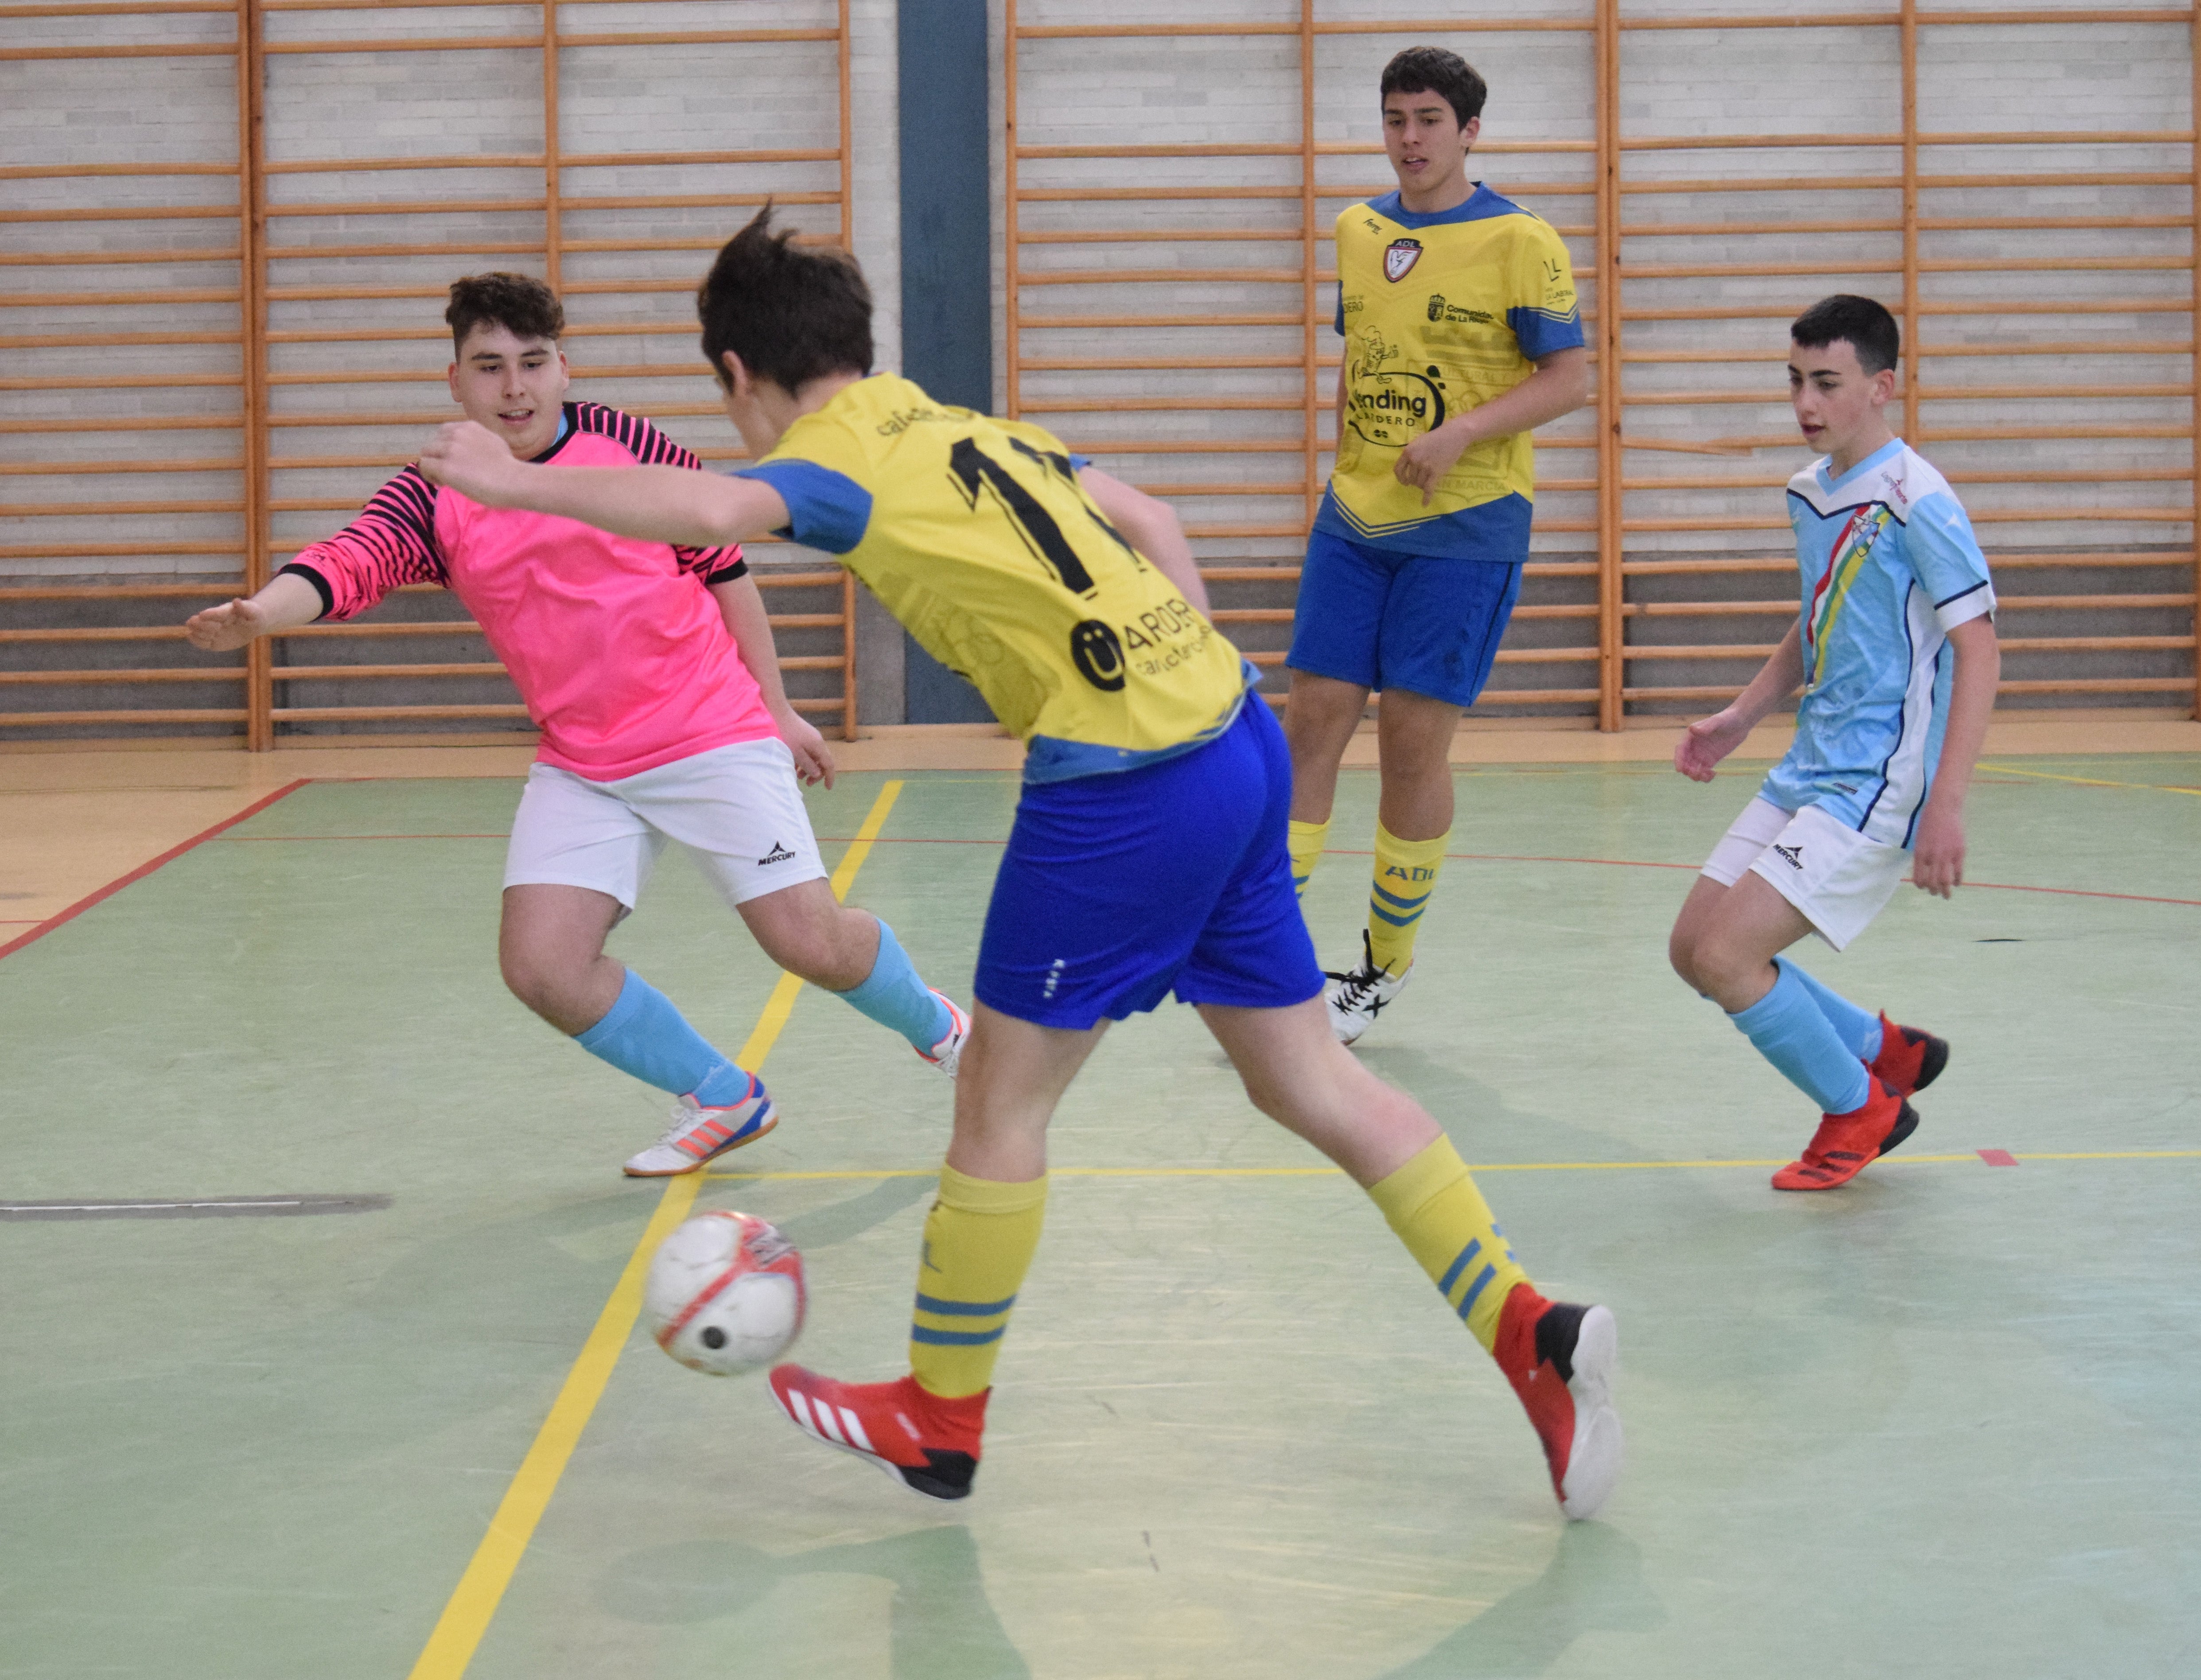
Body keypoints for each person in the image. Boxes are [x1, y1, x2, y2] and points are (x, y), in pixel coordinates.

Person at [416, 210, 1625, 1521]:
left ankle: (941, 1419)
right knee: (1305, 1078)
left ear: (736, 375)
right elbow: (1152, 516)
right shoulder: (967, 425)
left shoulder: (831, 461)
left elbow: (710, 505)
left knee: (998, 1103)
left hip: (1124, 787)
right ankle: (1531, 1332)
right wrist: (1185, 680)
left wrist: (512, 481)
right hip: (1233, 732)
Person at [184, 272, 966, 1178]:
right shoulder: (436, 492)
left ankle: (943, 1030)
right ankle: (723, 1096)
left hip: (709, 729)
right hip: (585, 760)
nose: (513, 387)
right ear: (456, 384)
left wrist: (777, 705)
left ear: (565, 368)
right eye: (489, 367)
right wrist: (261, 613)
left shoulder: (625, 444)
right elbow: (351, 561)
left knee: (810, 943)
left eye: (531, 362)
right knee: (543, 967)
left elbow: (723, 570)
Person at [1283, 45, 1591, 1044]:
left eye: (1427, 120)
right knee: (1313, 718)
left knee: (1413, 743)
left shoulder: (1522, 241)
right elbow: (1360, 359)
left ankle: (1379, 967)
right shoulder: (1357, 230)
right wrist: (1339, 471)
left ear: (1469, 131)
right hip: (1357, 520)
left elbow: (1568, 379)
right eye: (1394, 119)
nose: (1409, 138)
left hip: (1466, 528)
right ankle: (1270, 954)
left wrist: (1461, 432)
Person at [1668, 295, 2000, 1192]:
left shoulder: (1917, 499)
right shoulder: (1812, 491)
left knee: (1730, 958)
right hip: (1809, 766)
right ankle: (1877, 1047)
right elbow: (1822, 623)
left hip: (1878, 784)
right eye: (1795, 381)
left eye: (1827, 383)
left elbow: (1981, 651)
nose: (1806, 402)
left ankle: (1862, 1109)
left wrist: (1946, 805)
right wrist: (1741, 716)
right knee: (1691, 948)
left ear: (1881, 388)